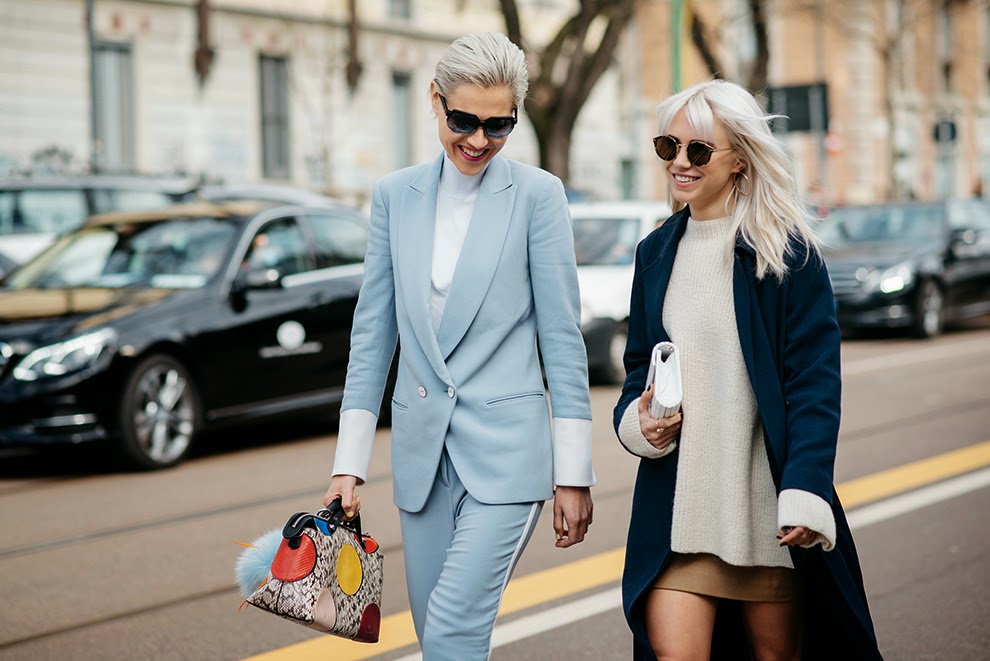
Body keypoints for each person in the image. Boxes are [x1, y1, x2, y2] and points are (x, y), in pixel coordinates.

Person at [323, 32, 595, 661]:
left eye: (499, 124)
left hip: (507, 459)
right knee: (438, 639)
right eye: (464, 119)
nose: (478, 139)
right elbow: (373, 332)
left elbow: (561, 337)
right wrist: (348, 464)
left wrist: (573, 473)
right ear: (436, 100)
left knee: (449, 632)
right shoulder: (395, 196)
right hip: (421, 461)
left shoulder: (538, 196)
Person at [613, 79, 883, 660]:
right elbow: (639, 368)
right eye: (668, 147)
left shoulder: (786, 254)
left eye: (698, 151)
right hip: (677, 517)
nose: (679, 163)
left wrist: (806, 488)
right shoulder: (654, 252)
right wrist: (639, 422)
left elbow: (813, 383)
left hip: (766, 515)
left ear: (739, 159)